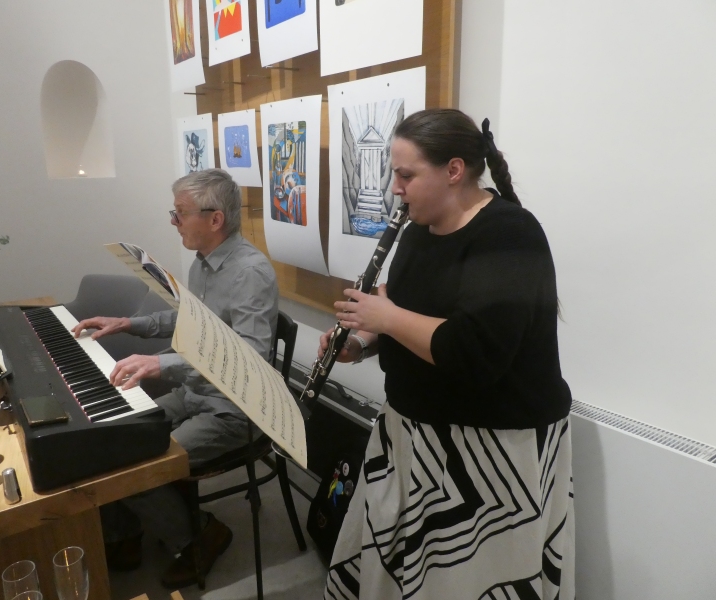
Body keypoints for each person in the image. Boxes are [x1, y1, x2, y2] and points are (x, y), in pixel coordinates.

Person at [320, 109, 574, 599]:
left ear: (454, 170)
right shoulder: (419, 230)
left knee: (464, 583)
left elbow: (473, 351)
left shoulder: (510, 233)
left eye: (406, 175)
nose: (395, 188)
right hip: (412, 436)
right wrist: (361, 341)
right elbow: (411, 318)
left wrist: (385, 317)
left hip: (490, 453)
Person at [71, 169, 279, 588]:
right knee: (112, 439)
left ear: (215, 219)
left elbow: (250, 357)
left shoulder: (250, 272)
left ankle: (200, 536)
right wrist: (129, 323)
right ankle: (124, 534)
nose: (174, 221)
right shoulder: (204, 263)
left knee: (136, 464)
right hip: (196, 391)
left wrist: (163, 365)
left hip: (234, 409)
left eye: (180, 213)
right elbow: (187, 320)